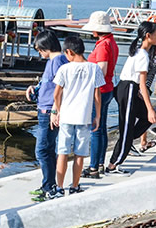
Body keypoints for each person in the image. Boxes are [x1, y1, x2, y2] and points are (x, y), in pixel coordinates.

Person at [51, 35, 105, 195]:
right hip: (84, 116)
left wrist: (58, 110)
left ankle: (60, 188)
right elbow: (98, 96)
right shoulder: (94, 68)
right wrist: (98, 116)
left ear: (69, 52)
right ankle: (74, 186)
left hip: (67, 116)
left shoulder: (64, 69)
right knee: (80, 154)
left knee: (63, 152)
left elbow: (56, 94)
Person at [106, 21, 156, 172]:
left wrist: (149, 110)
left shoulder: (139, 51)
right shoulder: (142, 54)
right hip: (128, 89)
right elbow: (143, 84)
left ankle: (128, 140)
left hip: (129, 89)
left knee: (144, 119)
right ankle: (114, 164)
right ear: (148, 36)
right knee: (128, 127)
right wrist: (150, 108)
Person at [25, 29, 69, 201]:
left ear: (45, 47)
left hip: (48, 111)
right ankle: (47, 184)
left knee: (42, 150)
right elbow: (48, 83)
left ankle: (49, 187)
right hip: (45, 108)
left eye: (39, 49)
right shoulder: (54, 60)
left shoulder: (57, 60)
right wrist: (35, 89)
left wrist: (55, 111)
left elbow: (61, 87)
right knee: (48, 149)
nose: (39, 53)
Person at [81, 11, 118, 179]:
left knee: (95, 128)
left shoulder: (103, 45)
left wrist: (88, 86)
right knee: (101, 127)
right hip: (108, 88)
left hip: (100, 91)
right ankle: (100, 163)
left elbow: (101, 70)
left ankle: (94, 166)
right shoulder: (111, 42)